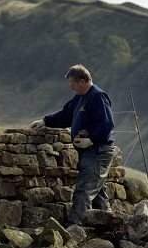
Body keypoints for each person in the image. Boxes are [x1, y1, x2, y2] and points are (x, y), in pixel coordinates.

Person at [29, 64, 117, 225]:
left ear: (83, 81)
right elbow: (66, 115)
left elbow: (107, 124)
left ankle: (75, 228)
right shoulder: (80, 97)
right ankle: (108, 225)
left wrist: (92, 140)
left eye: (73, 83)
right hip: (89, 151)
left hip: (98, 151)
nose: (70, 86)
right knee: (97, 192)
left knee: (84, 190)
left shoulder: (98, 97)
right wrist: (45, 121)